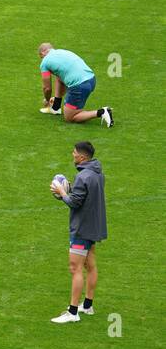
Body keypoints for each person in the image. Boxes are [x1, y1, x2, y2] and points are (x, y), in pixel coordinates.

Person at [49, 141, 107, 323]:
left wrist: (61, 192)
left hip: (82, 229)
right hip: (94, 227)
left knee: (75, 268)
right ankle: (87, 306)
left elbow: (74, 203)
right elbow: (85, 198)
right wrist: (71, 191)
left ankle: (72, 312)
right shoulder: (98, 174)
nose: (72, 154)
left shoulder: (83, 177)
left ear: (82, 157)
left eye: (74, 153)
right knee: (91, 266)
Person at [38, 44, 113, 126]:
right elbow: (60, 78)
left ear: (42, 53)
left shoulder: (45, 62)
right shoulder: (62, 52)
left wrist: (47, 100)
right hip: (91, 79)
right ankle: (56, 107)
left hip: (79, 86)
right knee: (58, 76)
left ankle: (102, 112)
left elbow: (47, 88)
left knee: (69, 117)